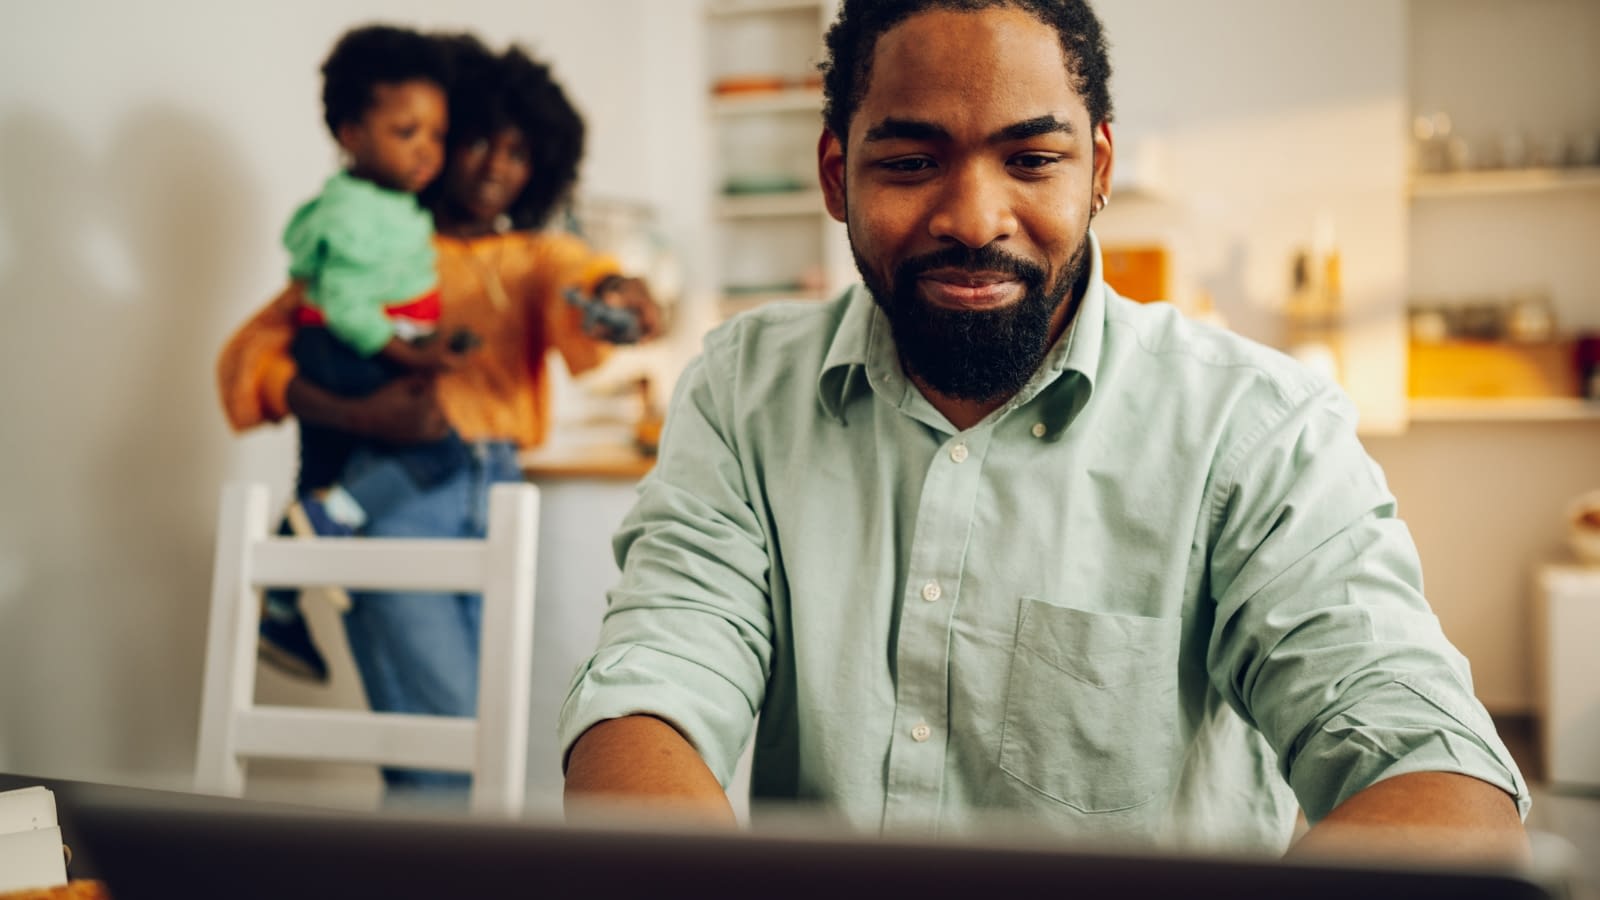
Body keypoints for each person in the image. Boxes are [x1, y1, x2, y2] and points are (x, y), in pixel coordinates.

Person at [559, 0, 1529, 856]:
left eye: (1030, 159)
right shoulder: (742, 391)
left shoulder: (1256, 429)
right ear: (833, 175)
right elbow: (649, 696)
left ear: (1096, 168)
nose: (975, 218)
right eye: (909, 162)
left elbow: (1436, 774)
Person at [217, 33, 662, 798]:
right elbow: (248, 361)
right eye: (480, 140)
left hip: (503, 501)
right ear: (443, 138)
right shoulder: (380, 245)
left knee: (484, 750)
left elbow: (586, 280)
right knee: (441, 758)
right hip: (393, 499)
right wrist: (364, 416)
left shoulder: (534, 256)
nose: (497, 165)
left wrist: (621, 295)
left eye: (521, 153)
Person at [284, 25, 474, 541]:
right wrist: (413, 357)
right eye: (406, 132)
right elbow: (347, 306)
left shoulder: (384, 203)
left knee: (319, 470)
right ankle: (335, 516)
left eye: (437, 134)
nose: (427, 151)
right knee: (439, 448)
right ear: (352, 135)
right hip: (340, 349)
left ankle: (282, 603)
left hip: (342, 347)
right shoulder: (353, 211)